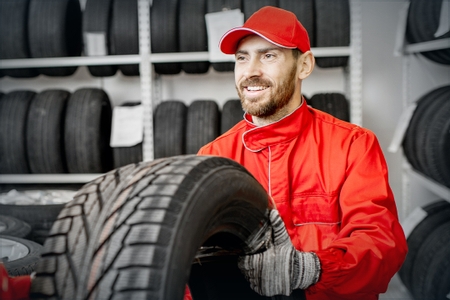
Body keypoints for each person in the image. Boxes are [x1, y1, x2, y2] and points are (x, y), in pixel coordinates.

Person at [196, 5, 408, 300]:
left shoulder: (353, 145)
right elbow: (191, 257)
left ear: (304, 66)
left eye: (268, 55)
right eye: (242, 58)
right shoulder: (214, 158)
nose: (251, 71)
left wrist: (311, 270)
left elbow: (378, 244)